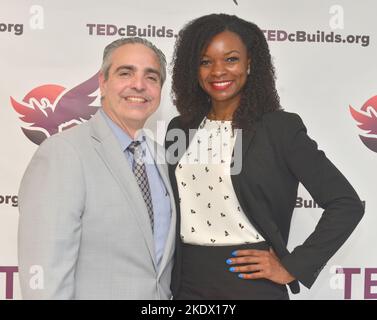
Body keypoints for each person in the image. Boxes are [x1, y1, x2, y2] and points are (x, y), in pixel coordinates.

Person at [165, 14, 364, 300]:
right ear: (193, 69)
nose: (218, 71)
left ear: (250, 63)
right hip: (186, 283)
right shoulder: (179, 128)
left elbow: (346, 204)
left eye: (231, 59)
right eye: (205, 61)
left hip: (250, 285)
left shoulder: (279, 129)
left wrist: (292, 266)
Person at [18, 37, 176, 299]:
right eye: (126, 73)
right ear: (103, 83)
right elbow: (46, 277)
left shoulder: (162, 158)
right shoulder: (63, 153)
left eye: (152, 77)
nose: (139, 85)